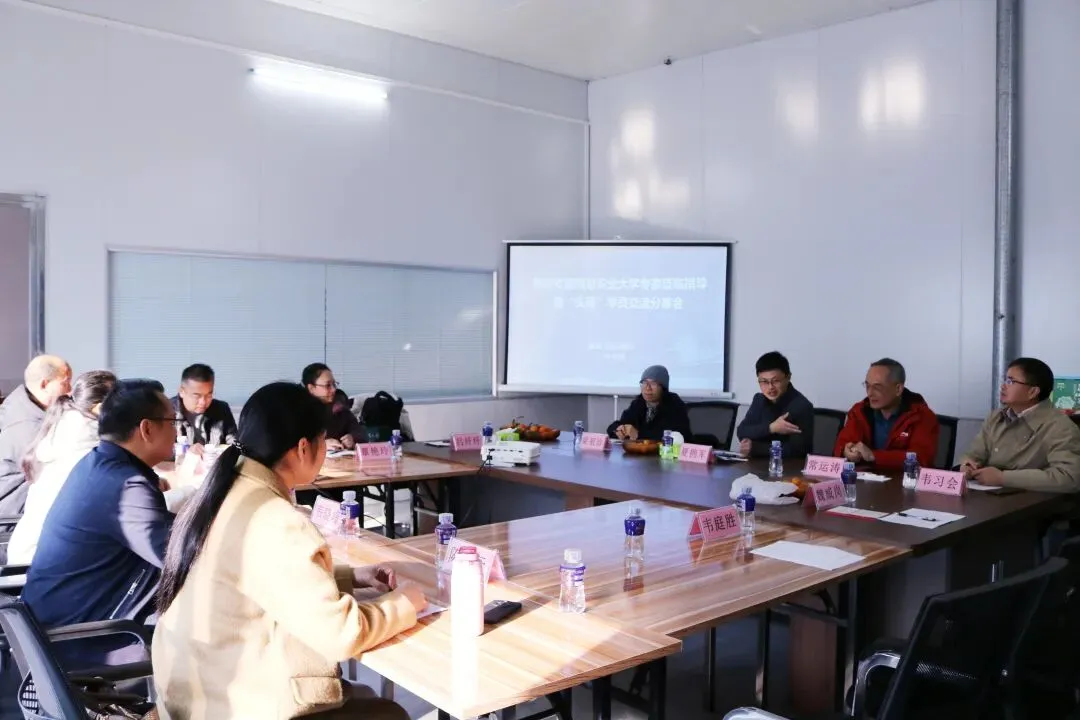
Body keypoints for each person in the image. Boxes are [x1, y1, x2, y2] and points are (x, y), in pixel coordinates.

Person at [153, 382, 425, 720]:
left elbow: (260, 580)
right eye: (322, 440)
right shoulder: (276, 520)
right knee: (389, 714)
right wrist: (404, 603)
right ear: (303, 448)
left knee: (368, 702)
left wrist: (350, 577)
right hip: (231, 702)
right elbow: (340, 635)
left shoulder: (226, 490)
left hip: (190, 691)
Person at [21, 379, 176, 627]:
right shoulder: (125, 486)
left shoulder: (98, 462)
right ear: (147, 429)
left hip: (57, 619)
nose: (176, 432)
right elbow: (180, 556)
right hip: (80, 635)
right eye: (172, 422)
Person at [8, 370, 117, 565]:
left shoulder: (65, 429)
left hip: (30, 552)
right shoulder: (89, 446)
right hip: (44, 562)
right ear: (101, 408)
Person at [960, 357, 1080, 492]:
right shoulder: (995, 417)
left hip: (1033, 501)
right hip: (989, 496)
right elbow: (974, 455)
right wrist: (967, 465)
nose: (1003, 386)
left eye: (1011, 381)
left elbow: (1069, 477)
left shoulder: (1060, 426)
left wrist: (1003, 478)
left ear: (1032, 392)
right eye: (1005, 380)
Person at [833, 358, 939, 471]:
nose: (870, 393)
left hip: (903, 480)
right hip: (864, 479)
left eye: (877, 387)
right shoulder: (859, 411)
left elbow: (921, 459)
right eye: (867, 386)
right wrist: (846, 451)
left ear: (898, 389)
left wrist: (874, 456)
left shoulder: (922, 416)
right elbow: (842, 444)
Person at [0, 355, 72, 516]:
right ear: (44, 384)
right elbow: (56, 472)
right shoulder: (27, 427)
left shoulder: (20, 402)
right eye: (65, 382)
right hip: (15, 514)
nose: (69, 390)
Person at [737, 351, 815, 459]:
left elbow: (798, 450)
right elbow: (742, 431)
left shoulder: (802, 406)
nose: (770, 387)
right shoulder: (759, 399)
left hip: (788, 467)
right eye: (764, 381)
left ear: (788, 377)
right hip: (757, 464)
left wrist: (755, 448)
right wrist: (771, 428)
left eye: (775, 381)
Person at [607, 365, 691, 441]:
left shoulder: (674, 404)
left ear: (663, 388)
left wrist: (638, 435)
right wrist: (619, 429)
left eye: (653, 383)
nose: (647, 388)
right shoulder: (638, 403)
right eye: (644, 383)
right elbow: (615, 426)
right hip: (639, 452)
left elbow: (672, 436)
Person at [171, 363, 237, 455]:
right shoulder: (168, 410)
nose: (203, 402)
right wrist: (187, 450)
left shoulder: (221, 409)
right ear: (182, 391)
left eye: (208, 395)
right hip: (178, 463)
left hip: (213, 463)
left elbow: (235, 444)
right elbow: (159, 449)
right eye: (197, 396)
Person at [303, 363, 361, 450]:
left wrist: (353, 438)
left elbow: (359, 431)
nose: (333, 389)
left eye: (334, 384)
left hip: (340, 457)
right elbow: (291, 444)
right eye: (328, 385)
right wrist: (320, 445)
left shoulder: (340, 407)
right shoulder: (298, 411)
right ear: (311, 388)